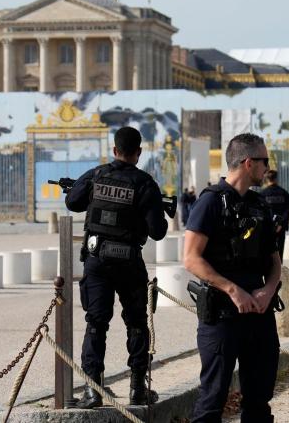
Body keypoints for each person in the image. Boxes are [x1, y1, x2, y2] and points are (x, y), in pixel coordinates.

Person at [64, 126, 168, 408]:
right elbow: (158, 231)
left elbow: (72, 202)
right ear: (139, 153)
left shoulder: (97, 175)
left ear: (114, 150)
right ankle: (137, 389)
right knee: (136, 325)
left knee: (96, 324)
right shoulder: (145, 183)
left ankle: (92, 391)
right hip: (130, 263)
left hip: (98, 261)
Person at [184, 133, 282, 423]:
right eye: (264, 161)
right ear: (249, 162)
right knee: (213, 399)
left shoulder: (260, 205)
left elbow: (274, 262)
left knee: (259, 400)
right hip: (223, 316)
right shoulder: (210, 203)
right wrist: (232, 289)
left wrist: (268, 289)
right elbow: (191, 258)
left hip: (259, 315)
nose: (267, 168)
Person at [259, 170, 289, 260]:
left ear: (266, 179)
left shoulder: (262, 194)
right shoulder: (284, 194)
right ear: (276, 179)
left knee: (267, 251)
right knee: (279, 251)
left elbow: (260, 212)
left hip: (267, 227)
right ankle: (279, 269)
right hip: (280, 228)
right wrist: (280, 224)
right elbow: (288, 210)